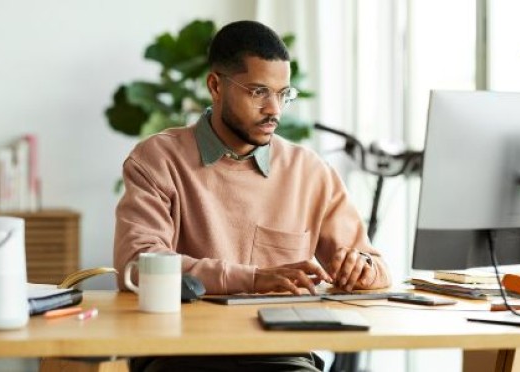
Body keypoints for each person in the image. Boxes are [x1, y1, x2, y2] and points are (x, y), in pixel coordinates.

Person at [114, 20, 391, 372]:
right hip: (180, 354)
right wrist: (254, 279)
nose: (274, 109)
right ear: (215, 86)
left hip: (283, 358)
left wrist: (361, 271)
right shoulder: (157, 159)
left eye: (283, 94)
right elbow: (138, 266)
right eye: (258, 91)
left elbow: (377, 267)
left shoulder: (309, 171)